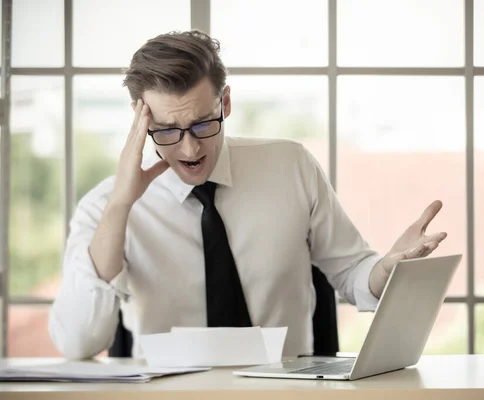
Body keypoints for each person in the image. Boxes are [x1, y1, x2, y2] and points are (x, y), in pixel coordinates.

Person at [49, 30, 447, 360]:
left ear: (224, 102)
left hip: (284, 390)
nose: (189, 150)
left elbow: (352, 271)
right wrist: (121, 205)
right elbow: (79, 342)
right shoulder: (104, 206)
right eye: (168, 131)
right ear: (141, 118)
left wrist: (388, 269)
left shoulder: (291, 166)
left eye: (202, 124)